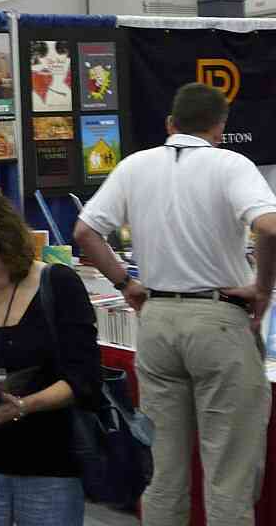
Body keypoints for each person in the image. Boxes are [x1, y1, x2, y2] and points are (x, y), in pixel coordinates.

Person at [74, 82, 276, 526]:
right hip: (218, 321)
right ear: (220, 127)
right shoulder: (232, 165)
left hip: (157, 320)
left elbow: (85, 232)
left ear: (170, 124)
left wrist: (126, 284)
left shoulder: (134, 165)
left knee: (164, 473)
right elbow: (269, 226)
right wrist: (262, 289)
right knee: (228, 475)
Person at [0, 187, 100, 525]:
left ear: (6, 236)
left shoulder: (59, 284)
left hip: (49, 464)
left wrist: (26, 405)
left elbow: (84, 379)